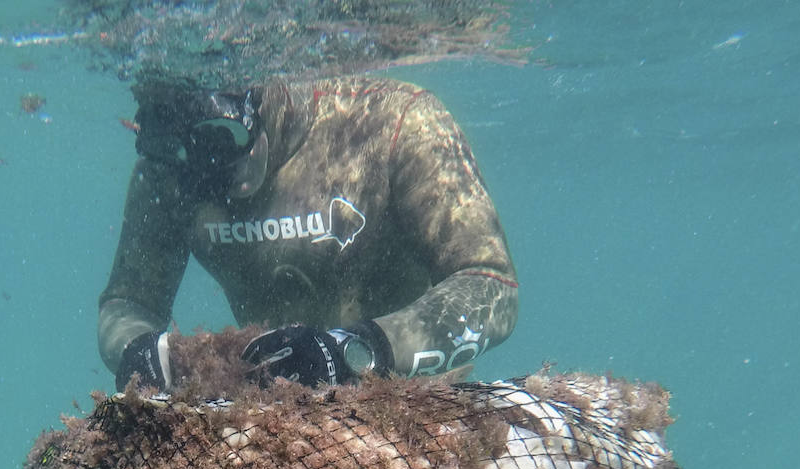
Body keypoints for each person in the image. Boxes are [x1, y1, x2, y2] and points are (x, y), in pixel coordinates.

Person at [101, 75, 519, 391]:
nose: (215, 174)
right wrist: (140, 353)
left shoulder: (393, 121)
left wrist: (358, 350)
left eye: (225, 140)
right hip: (280, 420)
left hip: (414, 405)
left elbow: (490, 286)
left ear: (257, 104)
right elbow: (128, 303)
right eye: (191, 159)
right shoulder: (166, 173)